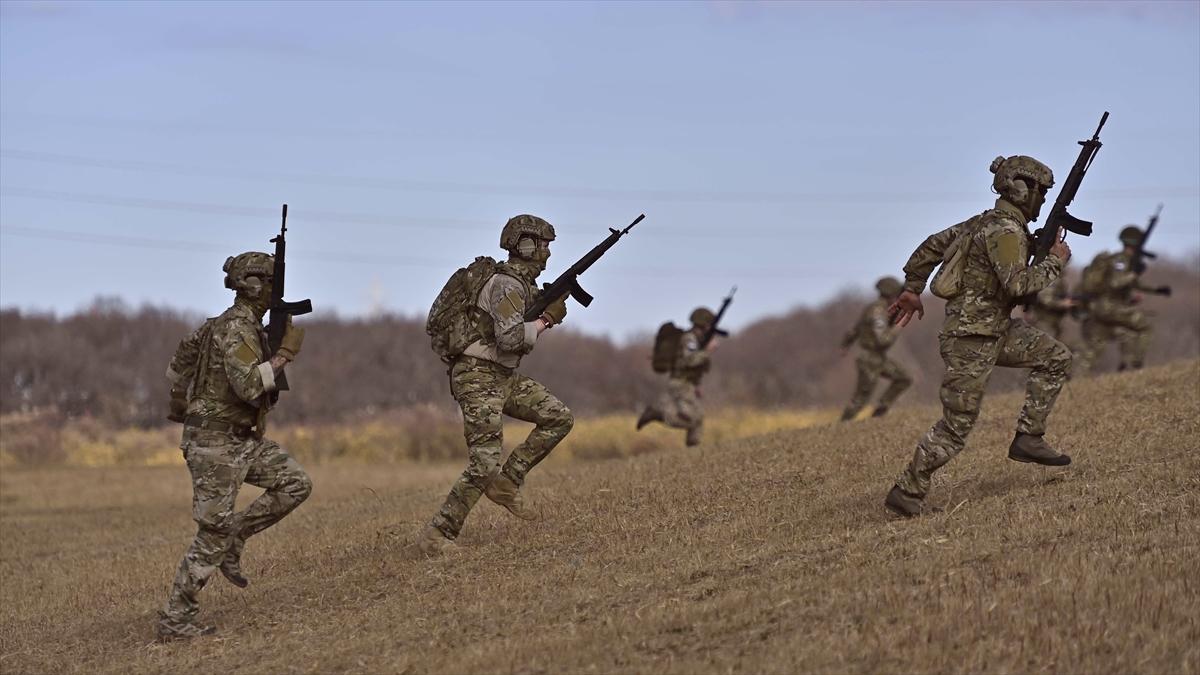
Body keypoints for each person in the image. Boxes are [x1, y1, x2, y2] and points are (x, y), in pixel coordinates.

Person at [884, 155, 1074, 518]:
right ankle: (908, 490)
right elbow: (1017, 284)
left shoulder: (981, 224)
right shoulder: (1004, 230)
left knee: (1056, 358)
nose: (1043, 201)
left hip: (994, 330)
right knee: (957, 425)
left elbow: (929, 247)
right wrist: (1054, 261)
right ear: (1022, 190)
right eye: (1040, 193)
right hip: (970, 339)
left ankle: (1028, 438)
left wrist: (912, 287)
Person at [157, 252, 312, 640]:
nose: (277, 291)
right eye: (273, 284)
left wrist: (189, 396)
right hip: (216, 443)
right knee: (212, 531)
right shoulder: (237, 328)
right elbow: (249, 385)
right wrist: (284, 355)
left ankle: (235, 538)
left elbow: (176, 368)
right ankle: (176, 619)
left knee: (295, 483)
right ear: (256, 286)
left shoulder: (218, 327)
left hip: (240, 439)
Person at [419, 215, 573, 554]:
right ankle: (438, 535)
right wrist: (546, 320)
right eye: (542, 244)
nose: (547, 252)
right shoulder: (507, 285)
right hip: (477, 376)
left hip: (500, 376)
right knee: (484, 461)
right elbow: (511, 338)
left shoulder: (523, 284)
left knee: (558, 417)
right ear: (525, 245)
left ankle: (508, 481)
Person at [1074, 226, 1170, 373]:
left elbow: (1134, 284)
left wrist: (1157, 290)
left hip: (1104, 309)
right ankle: (1136, 364)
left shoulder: (1126, 260)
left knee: (1097, 347)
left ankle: (1079, 377)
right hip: (1109, 307)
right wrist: (1134, 274)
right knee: (1145, 327)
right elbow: (1115, 283)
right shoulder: (1120, 261)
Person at [636, 308, 718, 447]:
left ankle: (694, 449)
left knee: (698, 418)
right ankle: (658, 413)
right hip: (680, 383)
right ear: (703, 324)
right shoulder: (689, 339)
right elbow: (689, 360)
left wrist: (696, 386)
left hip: (687, 383)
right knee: (692, 419)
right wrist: (707, 352)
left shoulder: (696, 339)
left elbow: (693, 367)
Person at [839, 276, 912, 420]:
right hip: (870, 359)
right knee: (860, 399)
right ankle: (840, 427)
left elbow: (855, 330)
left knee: (904, 378)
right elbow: (883, 340)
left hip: (877, 358)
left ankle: (879, 413)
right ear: (892, 294)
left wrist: (845, 345)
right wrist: (898, 326)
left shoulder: (875, 308)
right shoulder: (878, 311)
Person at [1026, 267, 1077, 341]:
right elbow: (1045, 299)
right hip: (1044, 323)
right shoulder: (1051, 280)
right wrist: (1062, 304)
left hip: (1053, 324)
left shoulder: (1060, 281)